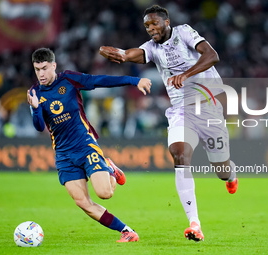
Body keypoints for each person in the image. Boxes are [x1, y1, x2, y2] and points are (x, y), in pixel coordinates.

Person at [99, 5, 238, 242]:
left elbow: (212, 55)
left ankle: (231, 175)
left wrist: (186, 75)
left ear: (166, 22)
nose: (151, 29)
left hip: (208, 105)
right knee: (179, 153)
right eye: (146, 26)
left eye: (154, 24)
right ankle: (195, 224)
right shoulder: (152, 48)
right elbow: (135, 54)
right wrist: (121, 54)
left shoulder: (184, 32)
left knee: (222, 169)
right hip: (181, 110)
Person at [27, 48, 152, 243]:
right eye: (37, 70)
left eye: (44, 68)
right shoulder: (34, 92)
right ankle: (127, 231)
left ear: (53, 65)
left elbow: (99, 80)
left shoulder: (68, 79)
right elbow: (39, 126)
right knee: (82, 202)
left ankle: (109, 168)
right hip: (63, 154)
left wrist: (134, 81)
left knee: (105, 193)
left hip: (85, 145)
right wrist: (36, 109)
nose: (41, 74)